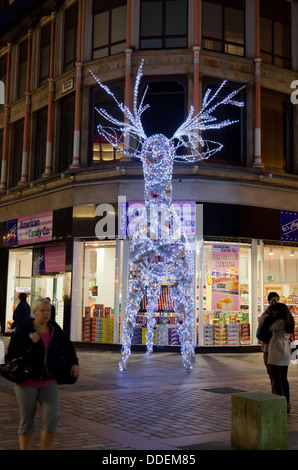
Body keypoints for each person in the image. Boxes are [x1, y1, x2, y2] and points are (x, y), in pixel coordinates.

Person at [7, 297, 79, 450]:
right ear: (34, 312)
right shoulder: (25, 327)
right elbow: (11, 352)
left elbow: (67, 345)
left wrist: (74, 362)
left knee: (52, 419)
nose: (46, 314)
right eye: (42, 311)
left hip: (49, 381)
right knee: (27, 422)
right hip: (26, 382)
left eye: (48, 310)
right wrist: (29, 341)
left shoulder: (53, 327)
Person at [267, 302, 295, 413]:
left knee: (277, 378)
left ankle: (280, 401)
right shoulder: (288, 321)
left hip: (277, 350)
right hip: (285, 349)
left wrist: (269, 316)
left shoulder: (280, 322)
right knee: (284, 378)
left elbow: (269, 328)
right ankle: (287, 402)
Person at [256, 292, 280, 394]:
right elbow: (259, 331)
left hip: (276, 348)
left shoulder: (279, 315)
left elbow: (259, 332)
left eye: (277, 300)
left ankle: (278, 395)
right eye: (273, 300)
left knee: (276, 374)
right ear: (269, 301)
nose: (275, 302)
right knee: (273, 373)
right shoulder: (267, 315)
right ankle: (277, 394)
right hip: (268, 347)